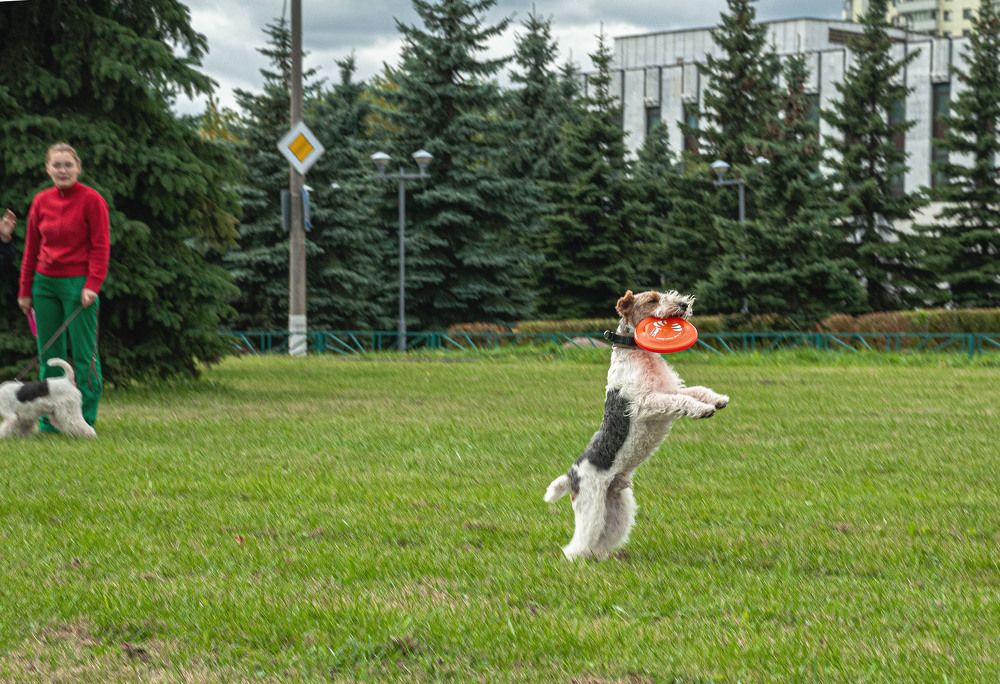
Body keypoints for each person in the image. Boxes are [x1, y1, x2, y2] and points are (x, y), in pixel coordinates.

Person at [18, 143, 110, 431]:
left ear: (78, 167)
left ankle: (85, 417)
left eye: (68, 165)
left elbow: (100, 246)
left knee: (85, 355)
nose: (62, 170)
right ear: (48, 169)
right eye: (56, 165)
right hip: (44, 285)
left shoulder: (92, 200)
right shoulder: (41, 201)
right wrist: (25, 290)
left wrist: (93, 284)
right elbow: (31, 248)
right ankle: (49, 419)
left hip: (79, 286)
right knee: (49, 354)